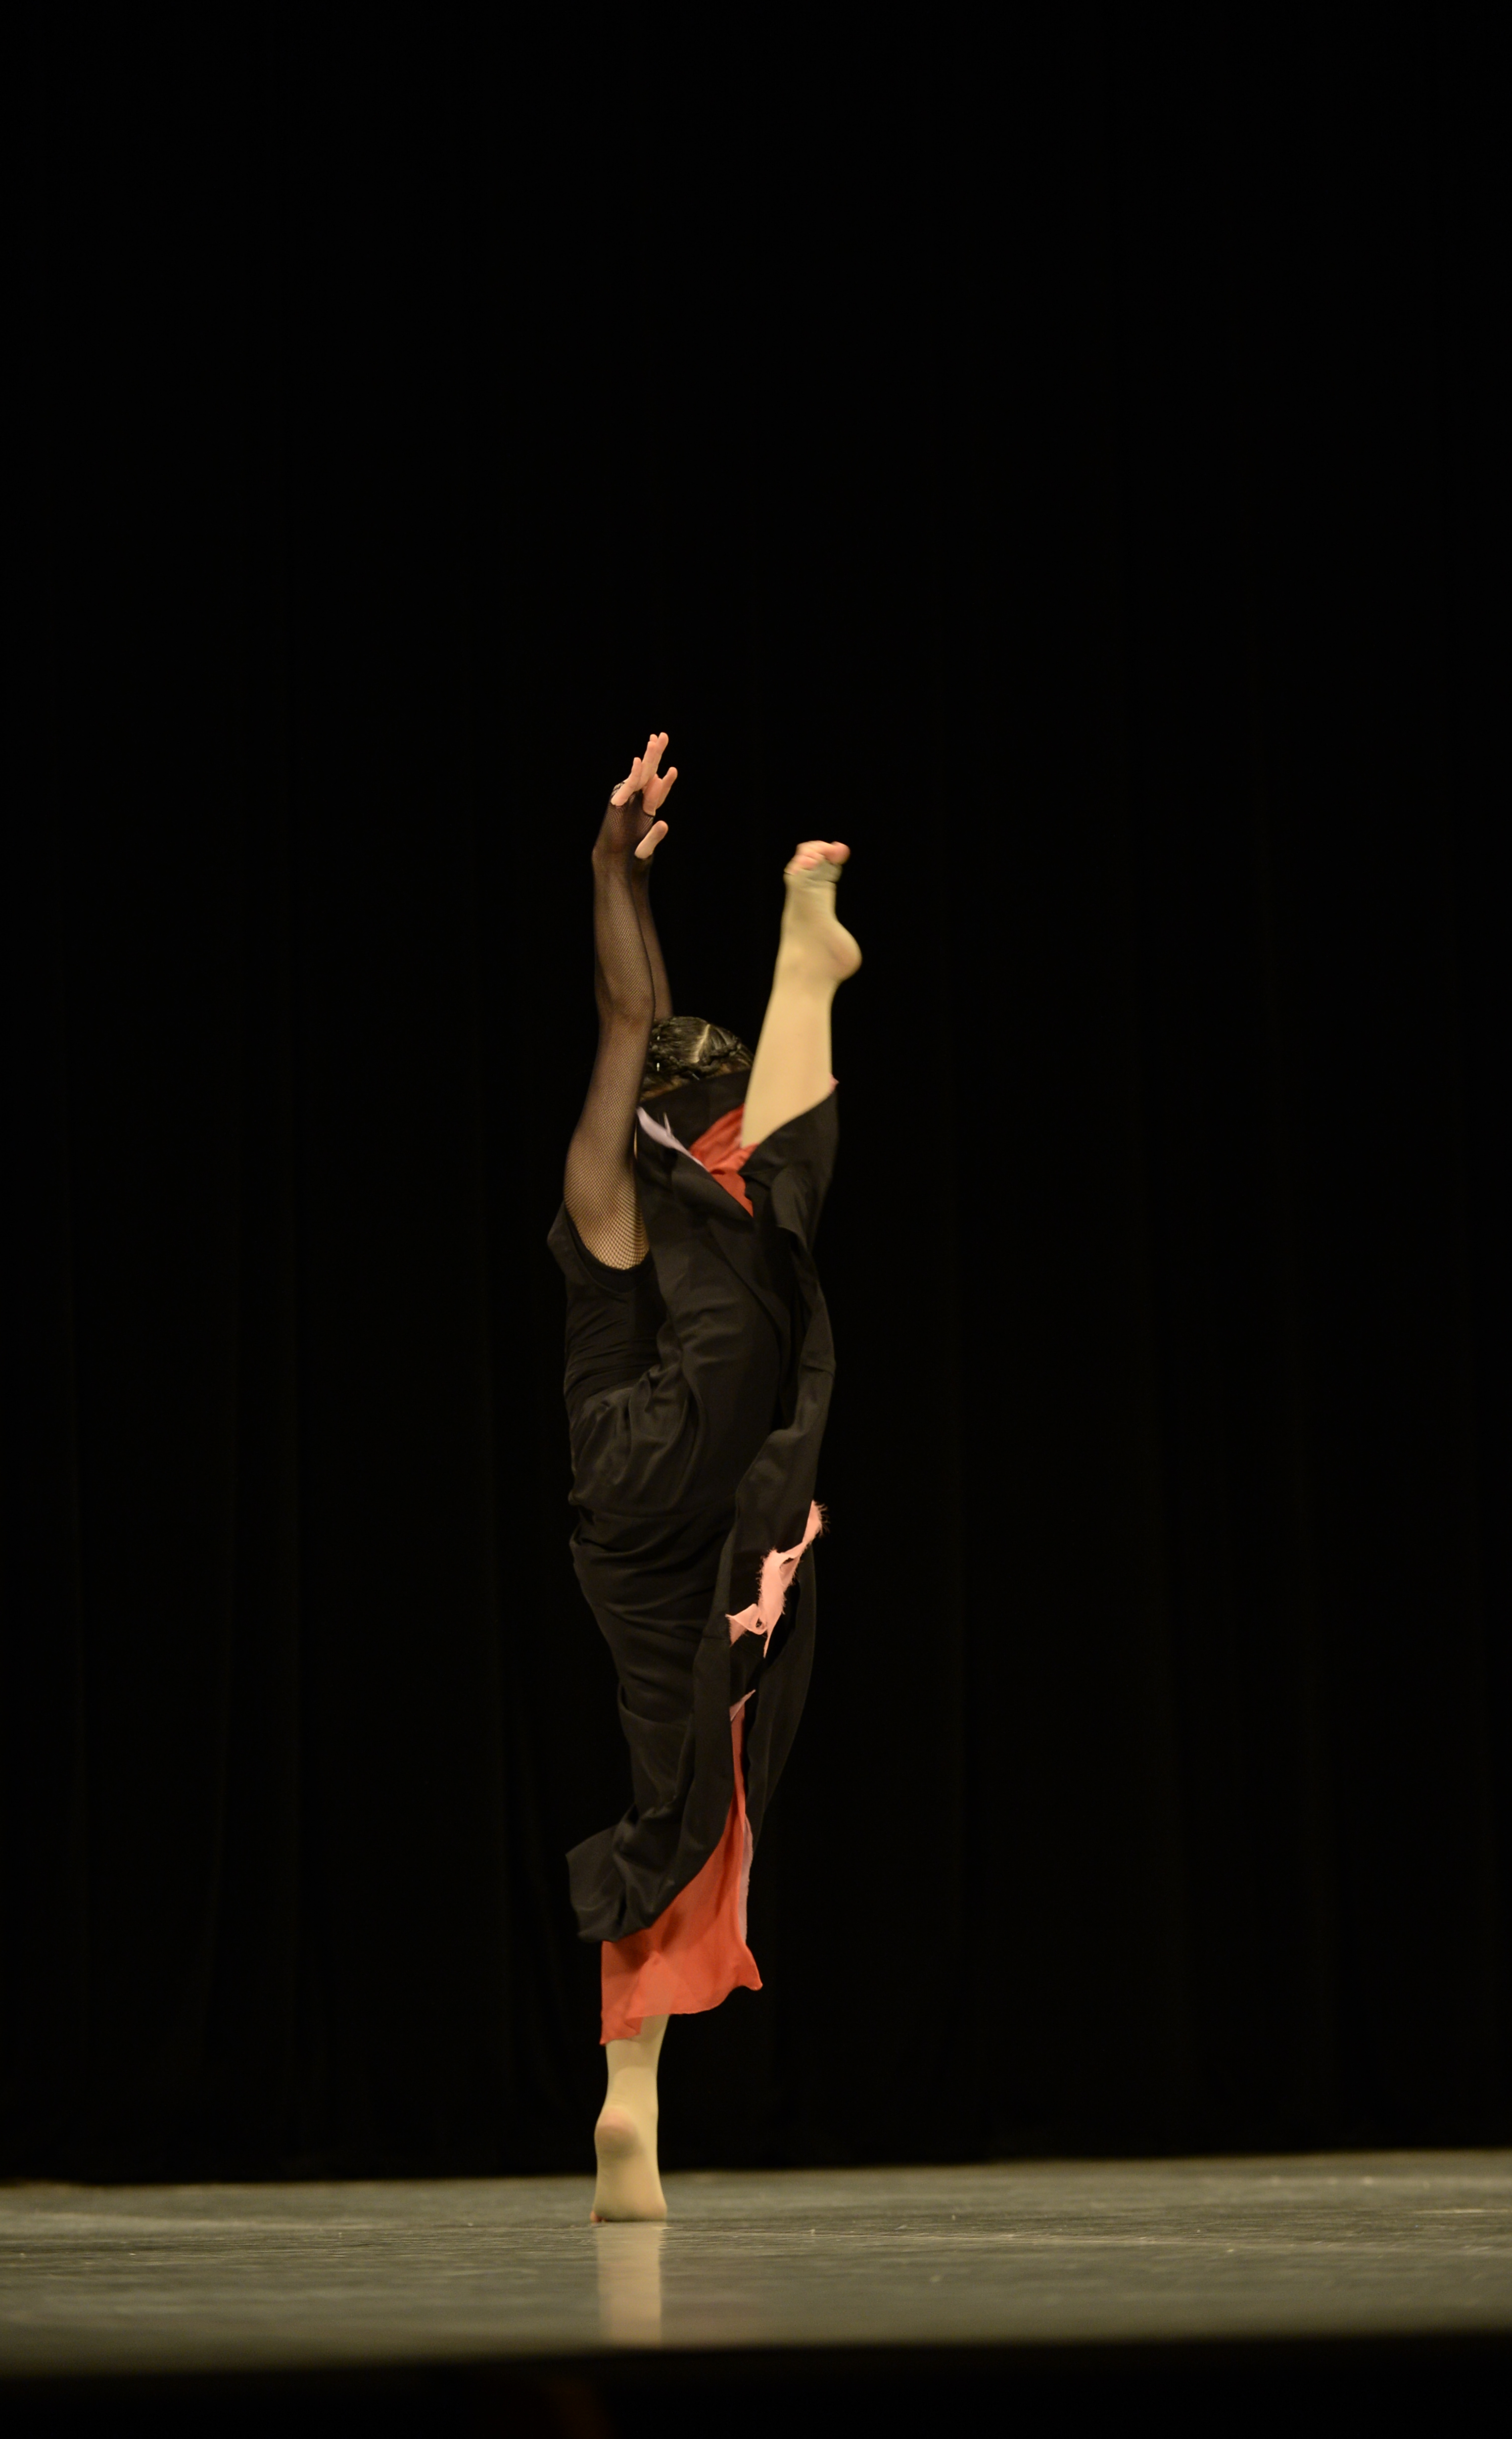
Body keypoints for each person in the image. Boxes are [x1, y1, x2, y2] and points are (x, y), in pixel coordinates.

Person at [547, 731, 860, 2221]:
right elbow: (643, 1019)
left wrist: (622, 878)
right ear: (692, 1126)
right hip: (691, 1438)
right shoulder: (687, 1193)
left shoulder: (602, 1195)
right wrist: (611, 869)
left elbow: (637, 1019)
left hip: (625, 1522)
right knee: (783, 1204)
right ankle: (808, 957)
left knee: (687, 1778)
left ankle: (634, 2094)